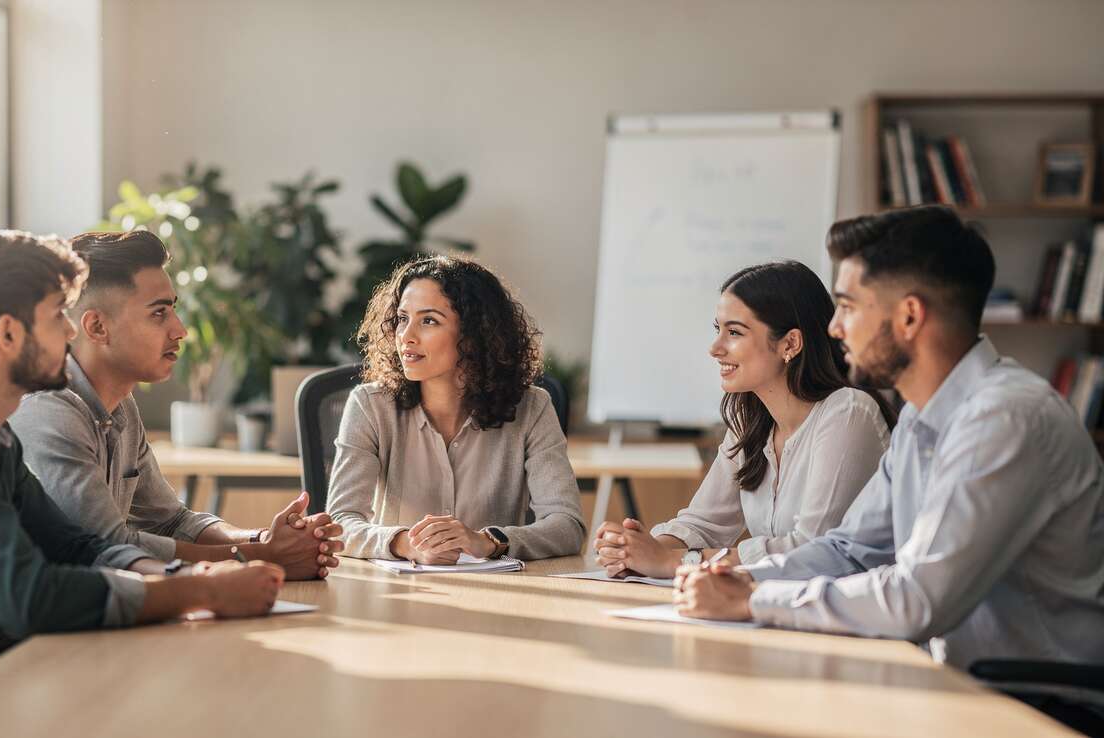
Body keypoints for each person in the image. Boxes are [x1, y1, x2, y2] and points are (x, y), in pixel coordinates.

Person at [0, 229, 283, 733]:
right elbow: (26, 597)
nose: (70, 333)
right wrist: (201, 594)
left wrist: (183, 580)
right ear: (6, 334)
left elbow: (74, 545)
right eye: (56, 316)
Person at [674, 206, 1104, 675]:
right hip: (960, 682)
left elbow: (918, 599)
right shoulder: (923, 417)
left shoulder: (1002, 419)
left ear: (909, 317)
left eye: (849, 307)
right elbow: (848, 550)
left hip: (1040, 702)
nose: (835, 328)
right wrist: (734, 578)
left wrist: (755, 599)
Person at [10, 230, 341, 580]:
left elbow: (172, 521)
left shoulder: (122, 407)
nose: (180, 330)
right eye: (158, 314)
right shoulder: (50, 410)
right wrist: (259, 556)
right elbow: (107, 548)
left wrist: (263, 539)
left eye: (173, 311)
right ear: (97, 327)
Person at [594, 261, 894, 577]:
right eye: (718, 330)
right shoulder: (749, 418)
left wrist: (675, 562)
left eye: (734, 332)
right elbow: (704, 523)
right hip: (783, 608)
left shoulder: (848, 413)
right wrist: (638, 549)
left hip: (847, 616)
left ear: (790, 344)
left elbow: (811, 550)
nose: (715, 348)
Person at [327, 255, 586, 563]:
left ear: (475, 336)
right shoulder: (370, 406)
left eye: (429, 321)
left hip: (500, 594)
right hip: (399, 592)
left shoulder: (532, 408)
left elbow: (567, 526)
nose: (406, 336)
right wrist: (404, 544)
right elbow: (340, 522)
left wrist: (489, 542)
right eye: (402, 318)